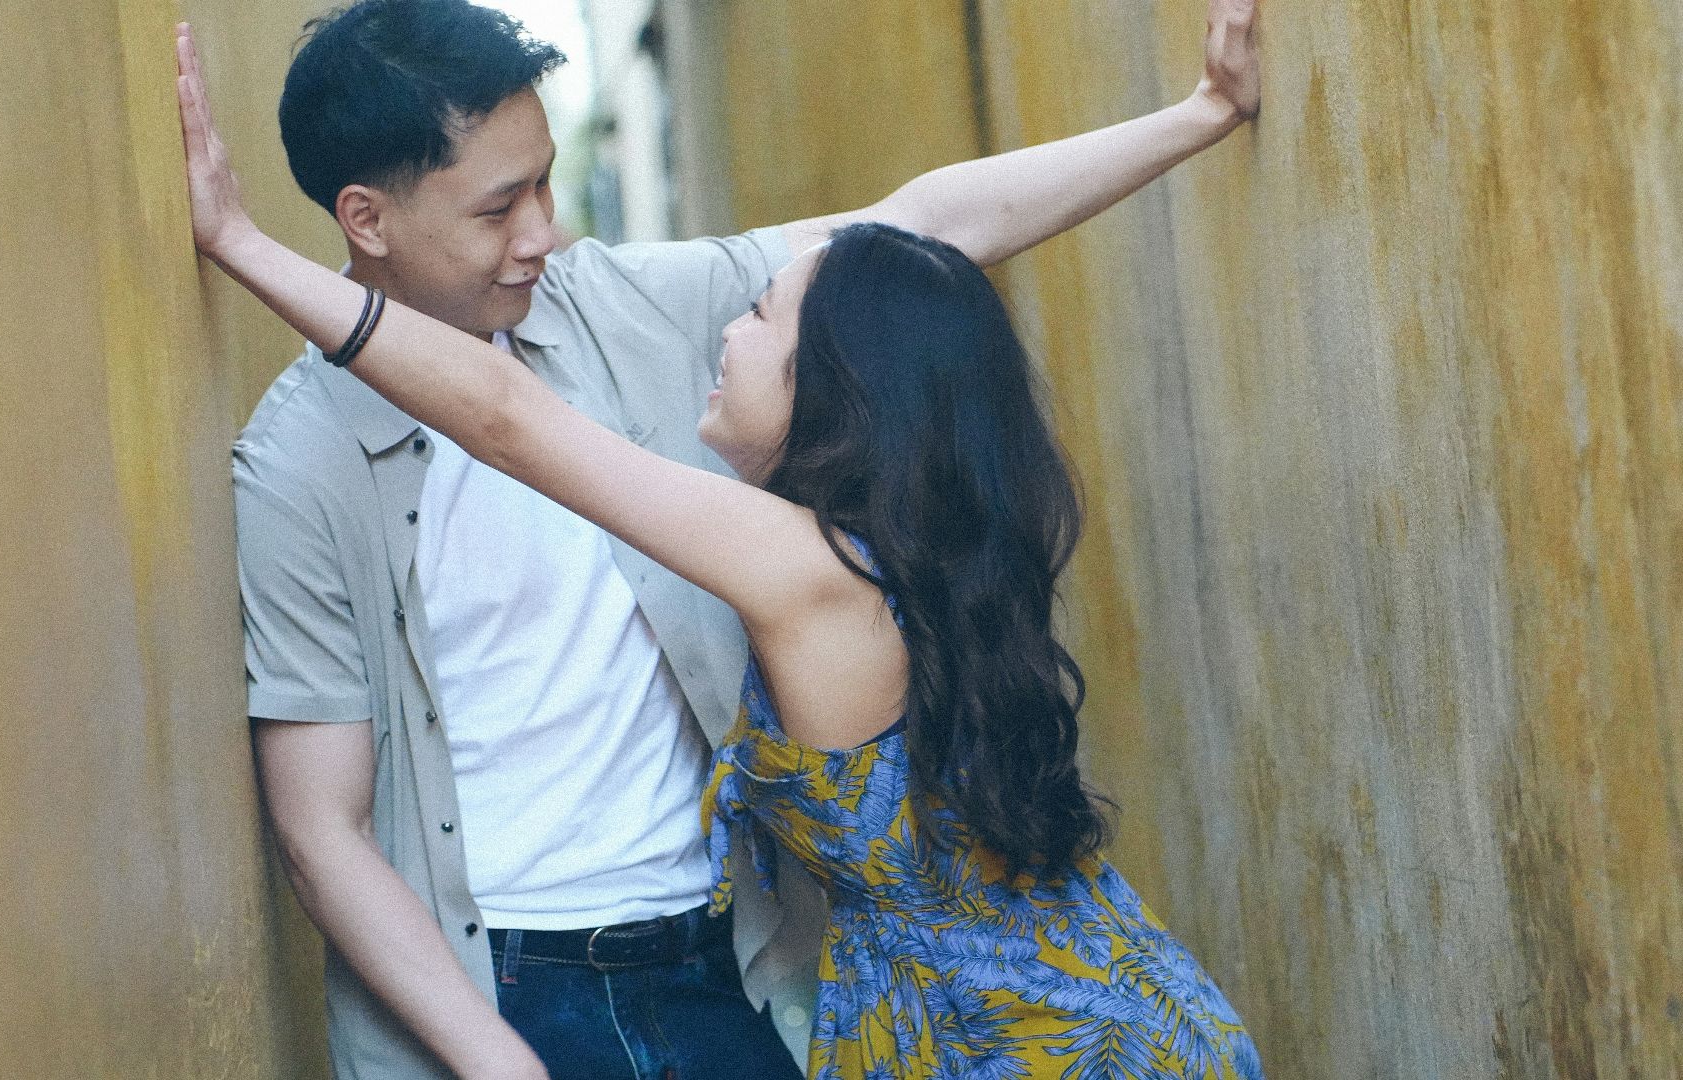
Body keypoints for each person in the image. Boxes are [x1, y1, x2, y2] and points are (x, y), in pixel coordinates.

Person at [212, 2, 1261, 1077]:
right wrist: (495, 1061)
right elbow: (319, 827)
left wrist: (1201, 114)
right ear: (366, 219)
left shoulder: (631, 338)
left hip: (755, 978)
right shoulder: (300, 463)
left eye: (544, 183)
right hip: (512, 992)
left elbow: (910, 230)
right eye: (498, 207)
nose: (544, 231)